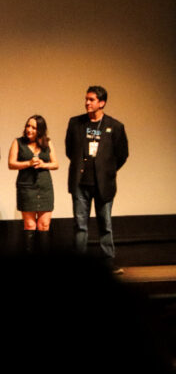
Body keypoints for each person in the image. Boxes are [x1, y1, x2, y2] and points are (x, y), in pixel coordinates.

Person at [65, 85, 129, 272]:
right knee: (80, 225)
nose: (87, 102)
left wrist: (107, 170)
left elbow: (122, 154)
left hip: (104, 183)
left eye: (91, 99)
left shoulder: (115, 126)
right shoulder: (75, 123)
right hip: (80, 182)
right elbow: (70, 150)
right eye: (86, 99)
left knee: (105, 225)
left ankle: (108, 262)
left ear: (102, 103)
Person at [8, 115, 58, 253]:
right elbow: (11, 164)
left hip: (45, 187)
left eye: (34, 128)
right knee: (30, 225)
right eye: (28, 126)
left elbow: (55, 164)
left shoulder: (47, 142)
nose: (29, 129)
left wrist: (43, 164)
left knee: (44, 225)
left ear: (40, 130)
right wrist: (28, 163)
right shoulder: (18, 142)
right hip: (26, 187)